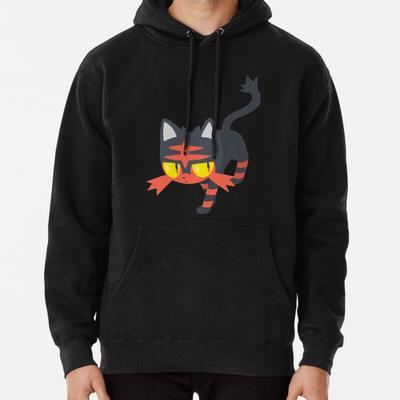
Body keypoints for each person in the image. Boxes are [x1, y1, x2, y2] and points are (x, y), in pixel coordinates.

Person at [44, 0, 348, 399]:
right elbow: (76, 217)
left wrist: (318, 352)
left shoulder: (297, 67)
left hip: (256, 348)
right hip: (135, 349)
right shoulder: (107, 68)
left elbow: (322, 222)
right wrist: (75, 349)